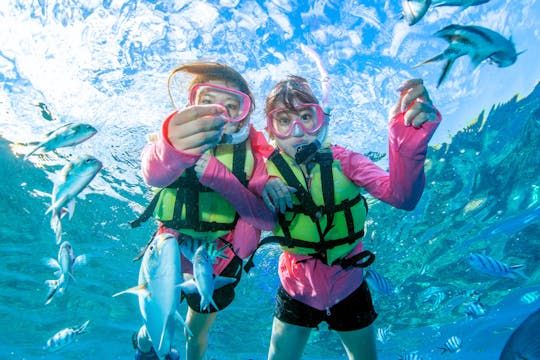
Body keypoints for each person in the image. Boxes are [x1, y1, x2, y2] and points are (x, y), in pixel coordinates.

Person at [260, 75, 441, 359]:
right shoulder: (263, 172)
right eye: (284, 120)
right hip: (295, 289)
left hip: (349, 287)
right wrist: (260, 183)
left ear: (321, 121)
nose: (297, 130)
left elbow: (403, 198)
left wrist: (407, 147)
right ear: (271, 132)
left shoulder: (346, 161)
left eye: (306, 116)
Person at [131, 61, 275, 360]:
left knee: (194, 333)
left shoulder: (257, 155)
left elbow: (267, 220)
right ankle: (146, 346)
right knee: (155, 323)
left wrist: (222, 178)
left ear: (244, 116)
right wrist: (171, 147)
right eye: (207, 101)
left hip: (219, 262)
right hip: (168, 254)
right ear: (191, 105)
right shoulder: (171, 140)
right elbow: (153, 173)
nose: (218, 112)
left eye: (232, 105)